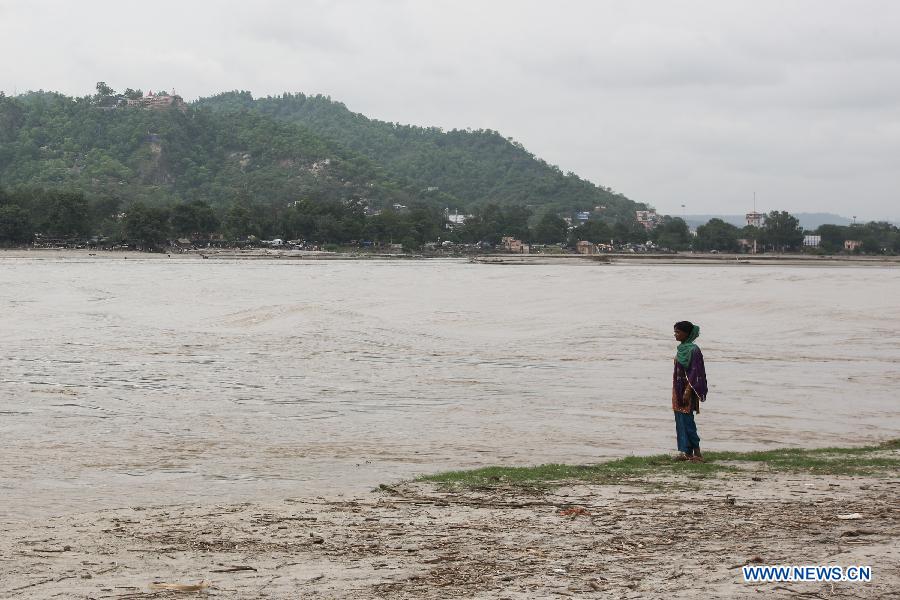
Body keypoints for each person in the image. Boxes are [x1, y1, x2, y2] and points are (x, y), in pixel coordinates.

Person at [672, 321, 708, 462]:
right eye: (675, 332)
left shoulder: (694, 350)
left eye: (678, 332)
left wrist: (688, 390)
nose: (676, 334)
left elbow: (696, 372)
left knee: (688, 420)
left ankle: (697, 452)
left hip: (689, 389)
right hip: (677, 388)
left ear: (687, 333)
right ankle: (685, 452)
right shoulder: (681, 349)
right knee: (679, 420)